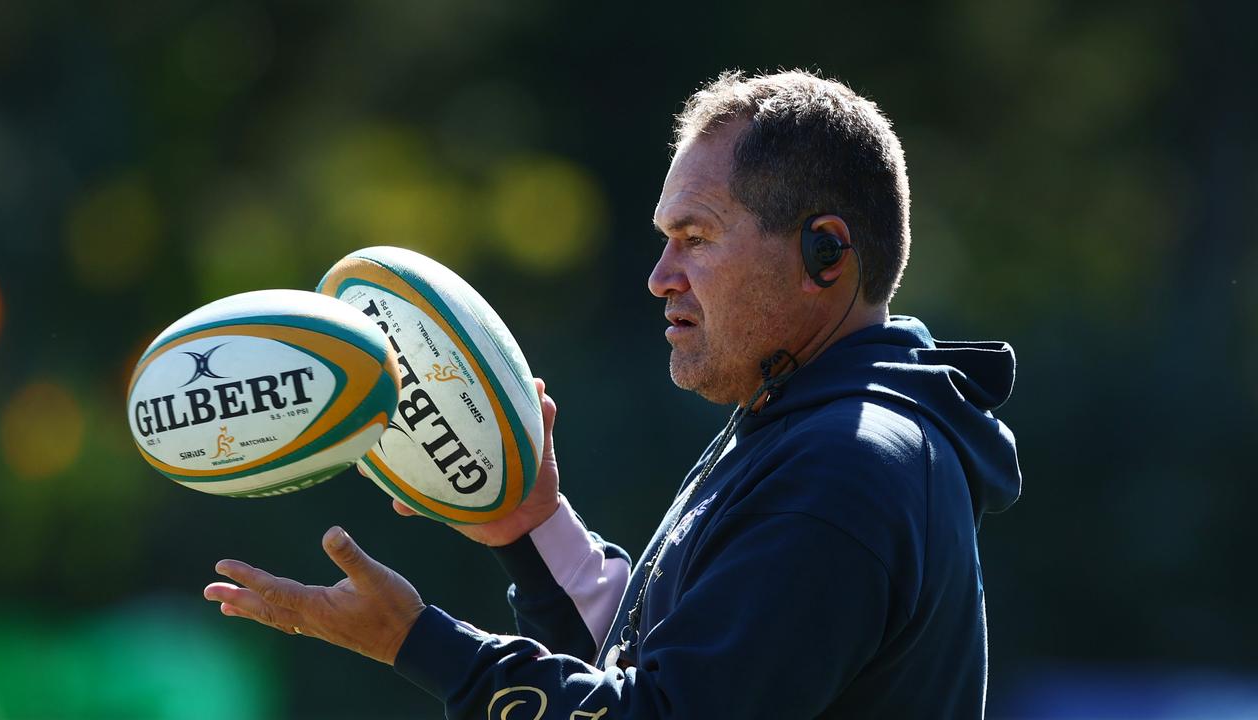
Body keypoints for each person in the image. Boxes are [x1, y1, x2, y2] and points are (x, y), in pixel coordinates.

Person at [204, 69, 1022, 719]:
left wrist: (417, 643)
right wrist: (529, 528)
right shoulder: (802, 429)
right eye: (665, 241)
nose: (661, 278)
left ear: (826, 253)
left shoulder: (845, 468)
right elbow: (659, 667)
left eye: (695, 239)